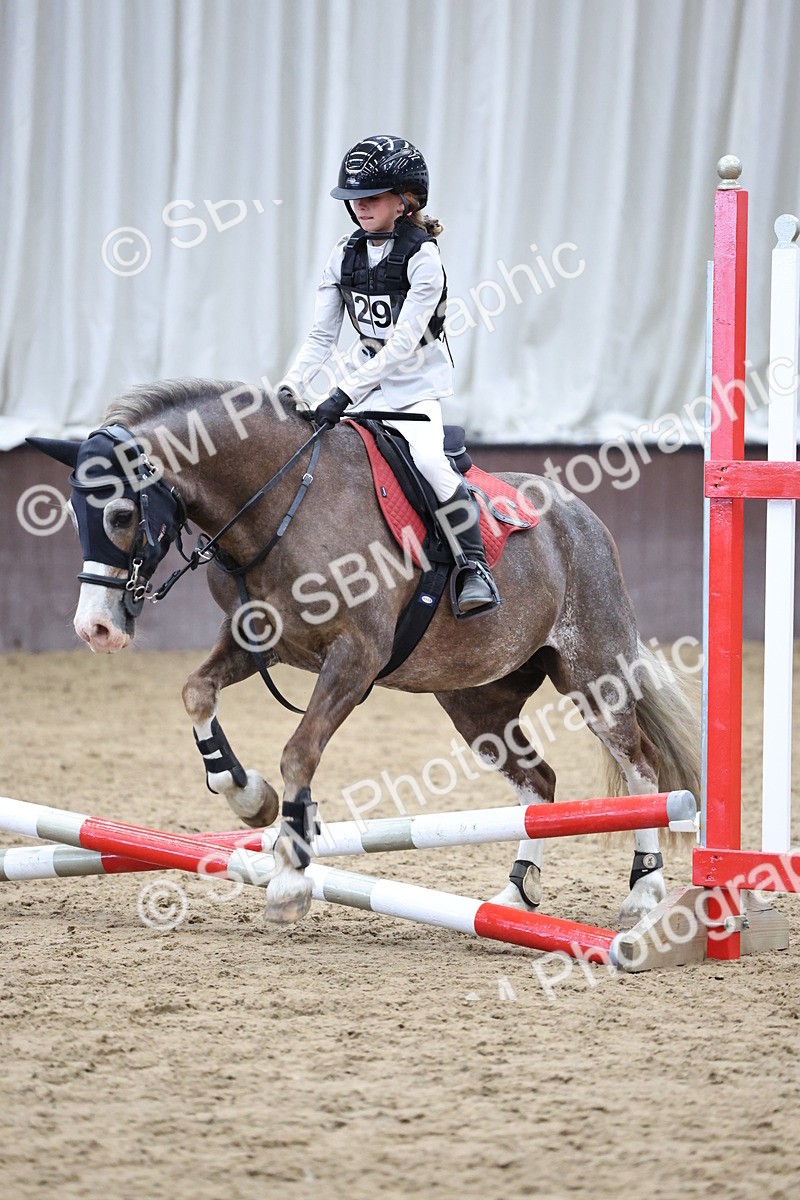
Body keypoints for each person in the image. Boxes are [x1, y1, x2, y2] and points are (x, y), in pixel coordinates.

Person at [277, 133, 499, 615]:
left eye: (372, 197)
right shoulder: (344, 253)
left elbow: (402, 346)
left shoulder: (424, 258)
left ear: (406, 200)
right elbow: (321, 338)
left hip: (414, 390)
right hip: (360, 387)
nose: (359, 207)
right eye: (354, 199)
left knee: (432, 464)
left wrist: (340, 393)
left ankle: (472, 565)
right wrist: (290, 387)